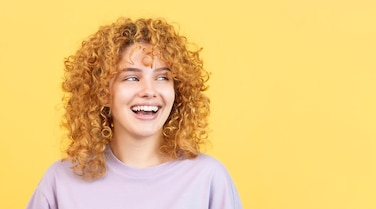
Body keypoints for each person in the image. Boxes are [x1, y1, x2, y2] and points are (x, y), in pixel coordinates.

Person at [27, 17, 242, 209]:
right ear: (103, 92)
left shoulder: (208, 180)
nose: (149, 91)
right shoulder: (60, 182)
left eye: (162, 78)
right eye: (131, 78)